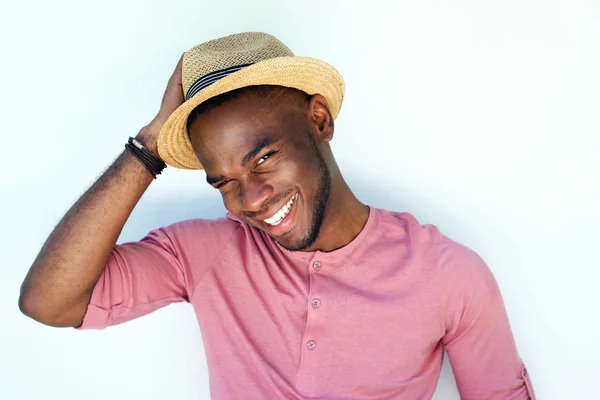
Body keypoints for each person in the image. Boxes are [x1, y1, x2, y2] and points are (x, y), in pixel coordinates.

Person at [19, 32, 536, 399]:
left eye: (263, 158)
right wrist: (149, 148)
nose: (251, 199)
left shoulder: (449, 275)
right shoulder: (202, 253)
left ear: (319, 120)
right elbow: (49, 302)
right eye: (223, 182)